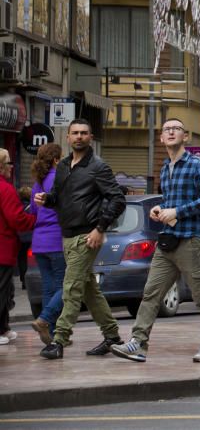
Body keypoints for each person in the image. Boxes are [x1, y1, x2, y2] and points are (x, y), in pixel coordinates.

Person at [111, 118, 200, 363]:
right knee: (150, 293)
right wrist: (160, 208)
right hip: (168, 241)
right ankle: (138, 343)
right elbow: (171, 202)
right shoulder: (164, 168)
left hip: (192, 240)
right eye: (167, 129)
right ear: (161, 139)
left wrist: (177, 212)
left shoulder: (196, 165)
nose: (171, 132)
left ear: (185, 136)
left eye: (176, 129)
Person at [35, 119, 126, 359]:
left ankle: (59, 341)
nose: (79, 137)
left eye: (84, 133)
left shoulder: (98, 166)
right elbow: (59, 197)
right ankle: (112, 336)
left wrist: (100, 228)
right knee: (88, 290)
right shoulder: (64, 166)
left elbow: (118, 199)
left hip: (87, 237)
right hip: (66, 237)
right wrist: (48, 199)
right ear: (68, 137)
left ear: (91, 137)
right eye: (75, 133)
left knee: (71, 288)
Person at [26, 143, 64, 345]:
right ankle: (45, 320)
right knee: (67, 285)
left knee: (49, 287)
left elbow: (32, 211)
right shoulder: (59, 179)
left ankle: (52, 330)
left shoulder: (37, 183)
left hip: (39, 242)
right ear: (56, 160)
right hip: (56, 240)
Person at [1, 148, 36, 345]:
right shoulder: (5, 189)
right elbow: (16, 218)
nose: (11, 166)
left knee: (5, 290)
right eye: (8, 162)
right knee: (2, 290)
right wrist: (35, 219)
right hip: (3, 248)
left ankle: (4, 327)